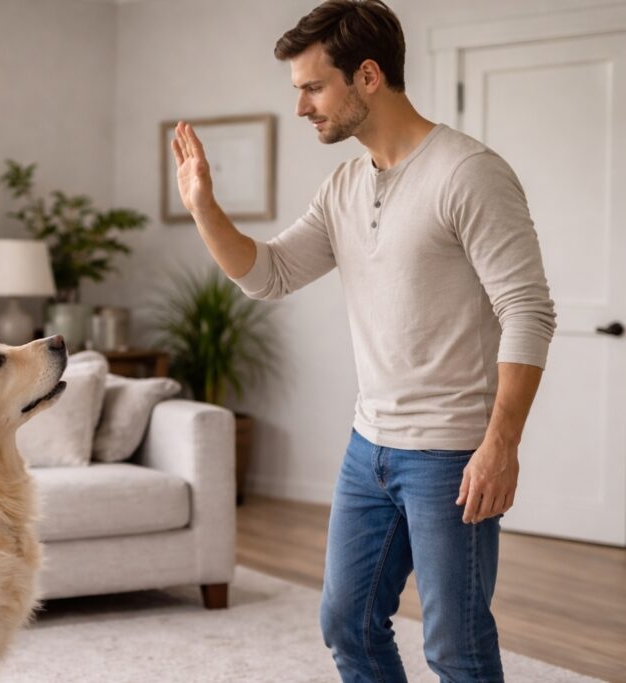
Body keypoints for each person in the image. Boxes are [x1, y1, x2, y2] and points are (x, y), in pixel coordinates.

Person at [170, 1, 556, 681]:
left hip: (450, 453)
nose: (302, 108)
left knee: (456, 648)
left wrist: (501, 444)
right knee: (346, 625)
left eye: (313, 88)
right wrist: (203, 205)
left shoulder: (468, 173)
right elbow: (271, 274)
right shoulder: (346, 184)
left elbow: (528, 311)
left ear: (368, 76)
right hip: (368, 448)